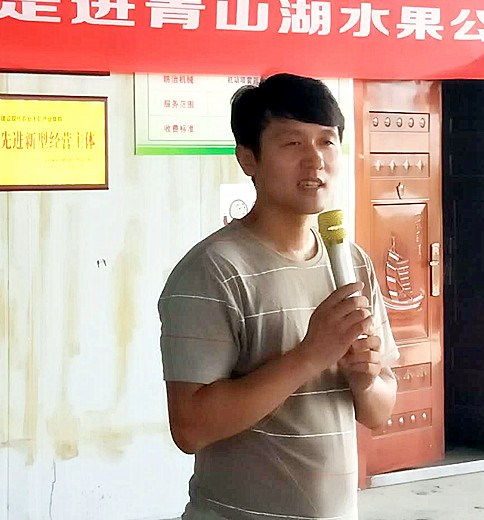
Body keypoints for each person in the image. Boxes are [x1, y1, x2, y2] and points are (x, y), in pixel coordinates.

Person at [158, 73, 399, 520]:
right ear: (248, 158)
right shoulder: (213, 270)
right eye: (292, 143)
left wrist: (365, 380)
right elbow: (190, 428)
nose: (315, 160)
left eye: (327, 142)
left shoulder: (352, 263)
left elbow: (379, 410)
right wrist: (309, 356)